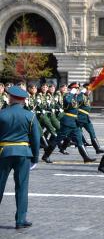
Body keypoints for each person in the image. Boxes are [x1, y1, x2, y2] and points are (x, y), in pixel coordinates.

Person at [0, 86, 40, 229]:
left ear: (10, 98)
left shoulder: (2, 114)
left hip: (4, 152)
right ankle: (20, 220)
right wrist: (35, 158)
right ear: (23, 100)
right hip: (23, 153)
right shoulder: (30, 116)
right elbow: (36, 139)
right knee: (22, 187)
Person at [41, 82, 96, 163]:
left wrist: (83, 91)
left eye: (78, 88)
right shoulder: (68, 96)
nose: (78, 89)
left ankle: (86, 157)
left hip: (74, 122)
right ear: (73, 89)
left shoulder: (76, 97)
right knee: (57, 140)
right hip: (68, 122)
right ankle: (45, 156)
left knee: (79, 139)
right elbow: (66, 101)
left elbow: (81, 99)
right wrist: (71, 93)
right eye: (76, 88)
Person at [77, 83, 104, 154]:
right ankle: (63, 146)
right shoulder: (81, 96)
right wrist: (81, 92)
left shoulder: (87, 97)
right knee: (76, 133)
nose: (89, 91)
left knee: (92, 132)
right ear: (85, 89)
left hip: (86, 118)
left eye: (90, 90)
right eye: (88, 89)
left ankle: (97, 148)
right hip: (80, 117)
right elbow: (77, 100)